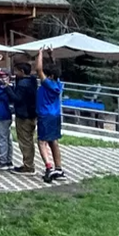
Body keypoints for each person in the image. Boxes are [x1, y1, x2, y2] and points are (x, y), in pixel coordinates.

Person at [35, 49, 65, 183]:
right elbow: (55, 69)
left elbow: (38, 69)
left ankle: (49, 167)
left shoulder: (47, 83)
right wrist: (51, 55)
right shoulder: (58, 83)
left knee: (42, 142)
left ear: (50, 76)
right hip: (55, 115)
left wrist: (40, 53)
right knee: (54, 141)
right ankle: (59, 168)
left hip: (45, 115)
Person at [10, 61, 39, 174]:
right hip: (32, 114)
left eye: (16, 71)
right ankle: (29, 163)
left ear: (22, 71)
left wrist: (7, 88)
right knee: (29, 140)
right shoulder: (32, 81)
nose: (15, 74)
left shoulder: (22, 84)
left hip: (23, 115)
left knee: (25, 141)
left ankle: (28, 166)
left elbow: (17, 99)